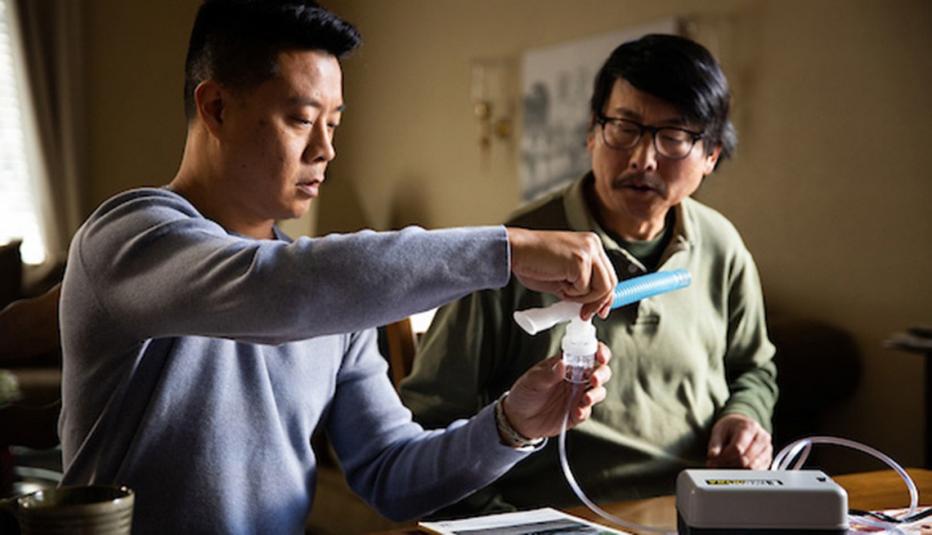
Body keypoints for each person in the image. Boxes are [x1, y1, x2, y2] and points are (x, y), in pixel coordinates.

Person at [58, 1, 620, 533]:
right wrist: (507, 249)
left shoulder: (340, 299)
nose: (326, 150)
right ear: (216, 108)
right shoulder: (129, 238)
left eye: (335, 123)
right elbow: (275, 291)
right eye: (302, 120)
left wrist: (513, 426)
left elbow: (391, 473)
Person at [400, 34, 778, 515]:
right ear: (591, 133)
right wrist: (501, 520)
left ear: (711, 155)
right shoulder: (516, 253)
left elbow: (754, 368)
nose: (643, 159)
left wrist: (746, 415)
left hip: (698, 511)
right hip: (558, 516)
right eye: (625, 127)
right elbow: (429, 416)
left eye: (675, 136)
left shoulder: (722, 247)